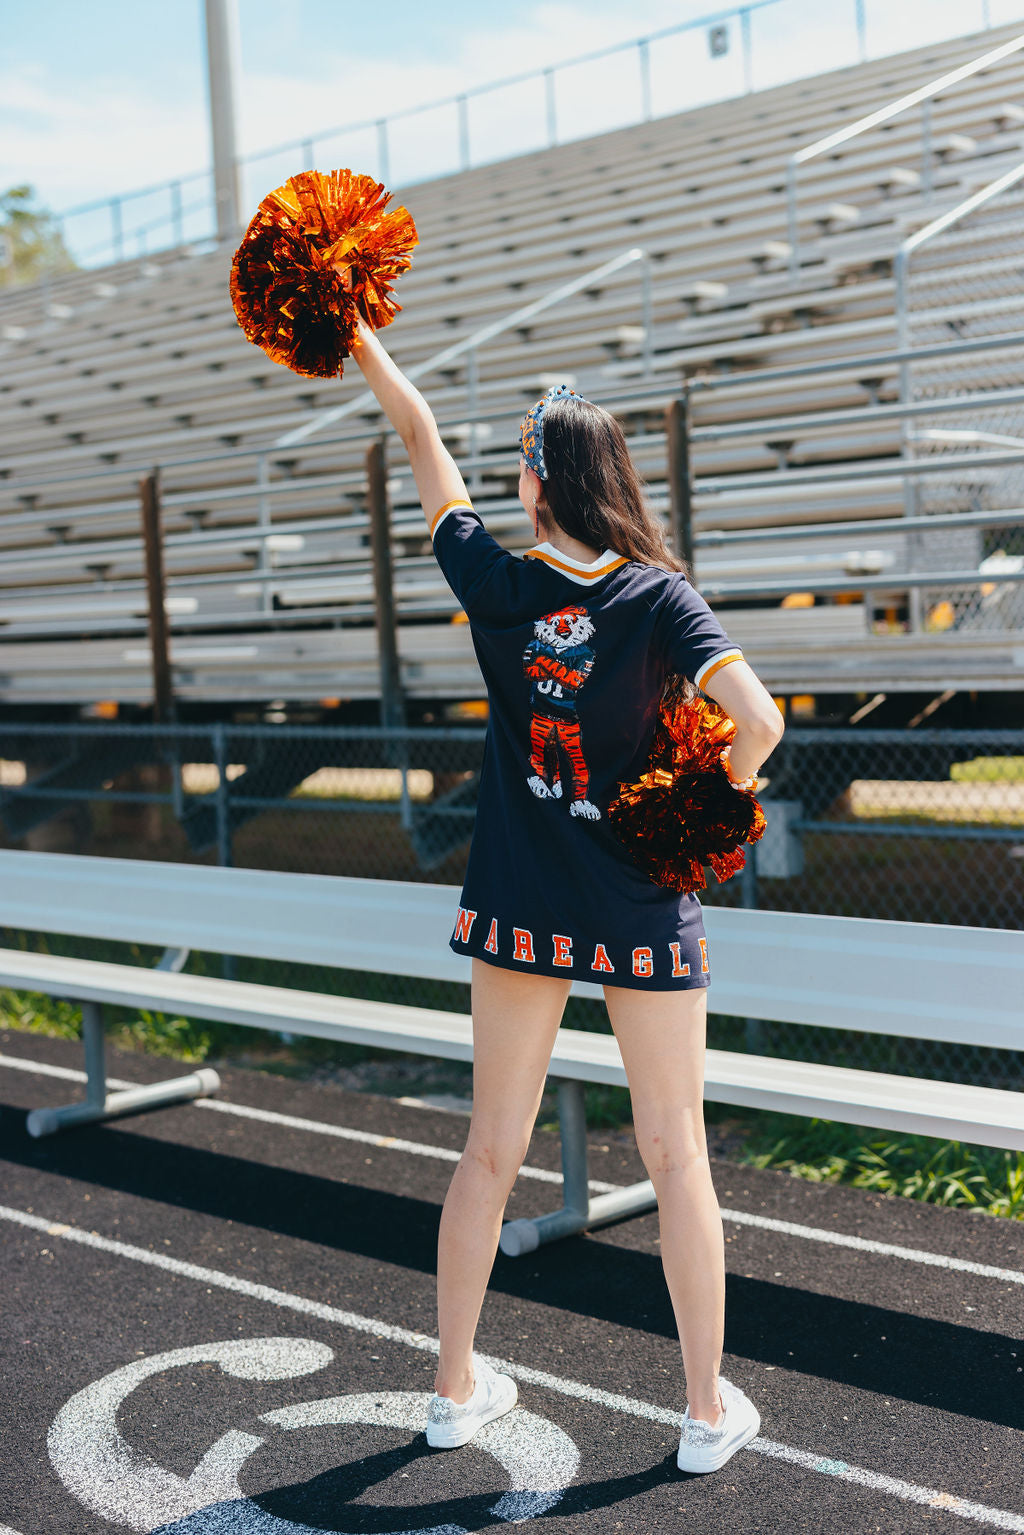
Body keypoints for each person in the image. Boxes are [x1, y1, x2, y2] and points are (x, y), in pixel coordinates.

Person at [347, 318, 784, 1475]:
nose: (509, 477)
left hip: (520, 902)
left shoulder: (495, 583)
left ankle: (451, 1389)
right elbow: (762, 722)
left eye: (521, 463)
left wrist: (361, 340)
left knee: (489, 1149)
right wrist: (701, 800)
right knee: (676, 1150)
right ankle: (700, 1409)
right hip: (638, 900)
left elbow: (416, 432)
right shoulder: (658, 598)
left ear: (542, 482)